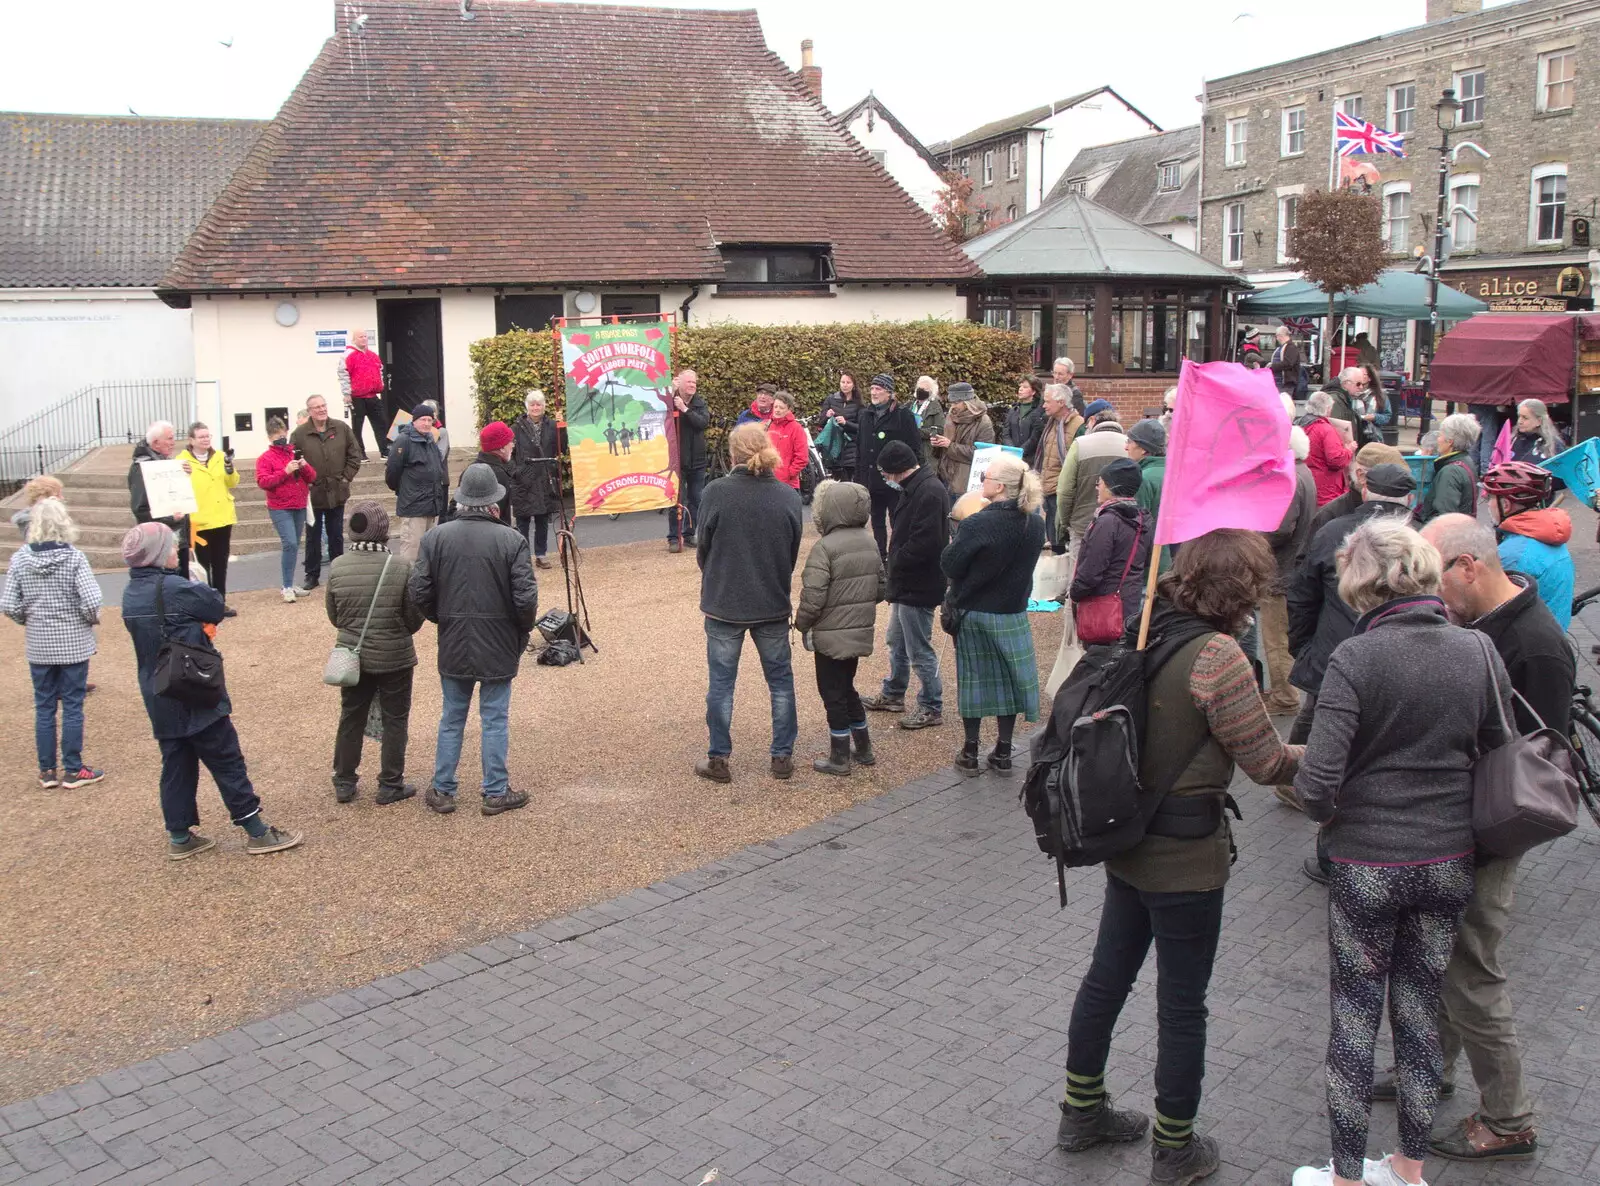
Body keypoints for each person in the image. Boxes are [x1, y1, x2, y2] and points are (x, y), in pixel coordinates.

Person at [1058, 530, 1300, 1185]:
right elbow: (1267, 762)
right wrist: (1325, 754)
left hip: (1126, 840)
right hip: (1188, 859)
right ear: (1242, 588)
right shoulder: (1219, 656)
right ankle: (1175, 1148)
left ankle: (1082, 1112)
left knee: (1107, 979)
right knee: (1182, 1004)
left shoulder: (1148, 628)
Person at [1291, 517, 1510, 1186]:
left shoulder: (1354, 659)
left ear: (1359, 585)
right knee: (1420, 1015)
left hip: (1368, 864)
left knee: (1355, 1021)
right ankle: (1410, 1169)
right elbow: (1500, 747)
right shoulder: (1475, 649)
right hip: (1447, 860)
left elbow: (1317, 784)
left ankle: (1347, 1176)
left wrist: (1329, 814)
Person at [1418, 513, 1572, 1165]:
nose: (1429, 593)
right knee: (1449, 964)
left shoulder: (1534, 645)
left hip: (1490, 833)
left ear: (1467, 567)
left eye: (1433, 577)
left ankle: (1509, 1119)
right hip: (1465, 824)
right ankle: (1434, 1071)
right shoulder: (1484, 626)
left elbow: (1540, 763)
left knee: (1473, 973)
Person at [119, 522, 303, 859]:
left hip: (157, 688)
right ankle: (256, 831)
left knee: (176, 762)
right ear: (159, 555)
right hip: (193, 684)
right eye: (171, 547)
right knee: (225, 755)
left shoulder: (131, 592)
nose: (175, 551)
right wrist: (192, 579)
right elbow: (215, 605)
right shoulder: (175, 588)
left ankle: (179, 835)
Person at [1284, 463, 1415, 818]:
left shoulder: (1332, 532)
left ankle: (1297, 780)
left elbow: (1300, 596)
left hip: (1332, 653)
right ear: (1409, 498)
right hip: (1399, 658)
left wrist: (1303, 647)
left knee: (1318, 718)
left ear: (1365, 489)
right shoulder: (1420, 536)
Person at [410, 463, 537, 816]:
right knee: (494, 718)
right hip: (498, 639)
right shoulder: (512, 539)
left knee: (452, 717)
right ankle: (495, 790)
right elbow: (526, 599)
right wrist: (520, 631)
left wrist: (442, 617)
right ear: (493, 504)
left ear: (463, 500)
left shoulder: (435, 537)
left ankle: (443, 788)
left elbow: (418, 591)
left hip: (454, 637)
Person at [694, 424, 804, 782]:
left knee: (722, 683)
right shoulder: (787, 496)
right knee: (780, 681)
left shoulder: (716, 493)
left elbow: (704, 547)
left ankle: (719, 758)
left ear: (733, 454)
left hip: (724, 600)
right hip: (770, 599)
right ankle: (782, 756)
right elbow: (791, 552)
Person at [940, 454, 1045, 774]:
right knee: (1009, 684)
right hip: (1012, 612)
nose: (981, 479)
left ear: (1000, 486)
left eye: (986, 475)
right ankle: (1002, 751)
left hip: (975, 612)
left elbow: (950, 564)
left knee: (975, 684)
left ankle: (970, 752)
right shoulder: (1036, 522)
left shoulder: (977, 523)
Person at [325, 500, 424, 806]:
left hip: (353, 654)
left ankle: (344, 780)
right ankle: (390, 783)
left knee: (351, 716)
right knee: (396, 718)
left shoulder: (338, 566)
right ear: (383, 531)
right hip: (394, 655)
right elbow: (413, 617)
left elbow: (335, 616)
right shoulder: (400, 567)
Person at [3, 498, 104, 790]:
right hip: (73, 641)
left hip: (40, 643)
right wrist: (86, 619)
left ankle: (47, 770)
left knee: (44, 706)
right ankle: (73, 769)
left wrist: (28, 619)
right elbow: (92, 600)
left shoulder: (21, 558)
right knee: (73, 705)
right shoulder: (74, 557)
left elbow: (9, 603)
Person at [793, 480, 886, 776]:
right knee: (847, 688)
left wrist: (801, 623)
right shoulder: (869, 541)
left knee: (831, 692)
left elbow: (813, 596)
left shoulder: (825, 547)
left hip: (830, 635)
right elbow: (881, 589)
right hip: (858, 631)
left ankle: (840, 757)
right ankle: (864, 747)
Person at [861, 440, 950, 730]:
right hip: (907, 581)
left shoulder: (928, 492)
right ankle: (894, 693)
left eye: (886, 473)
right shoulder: (919, 486)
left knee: (918, 648)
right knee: (897, 641)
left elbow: (927, 542)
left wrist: (896, 561)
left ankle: (931, 705)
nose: (885, 479)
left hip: (918, 583)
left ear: (898, 470)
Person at [1261, 427, 1317, 715]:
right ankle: (1284, 689)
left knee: (1275, 638)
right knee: (1283, 636)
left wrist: (1256, 537)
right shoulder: (1305, 472)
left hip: (1282, 570)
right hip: (1293, 568)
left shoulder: (1291, 478)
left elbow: (1282, 527)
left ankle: (1285, 696)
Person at [1482, 462, 1573, 629]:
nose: (1488, 504)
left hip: (1521, 649)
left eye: (1490, 498)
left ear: (1506, 505)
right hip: (1552, 640)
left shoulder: (1513, 555)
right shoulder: (1549, 536)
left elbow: (1487, 613)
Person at [291, 394, 362, 592]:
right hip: (313, 493)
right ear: (310, 411)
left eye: (323, 405)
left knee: (336, 534)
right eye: (317, 407)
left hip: (337, 491)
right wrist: (306, 482)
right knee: (313, 536)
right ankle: (312, 575)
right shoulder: (299, 434)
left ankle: (338, 574)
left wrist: (346, 478)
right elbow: (294, 461)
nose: (321, 409)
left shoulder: (341, 428)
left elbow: (354, 455)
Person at [854, 374, 921, 559]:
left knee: (897, 520)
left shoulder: (903, 416)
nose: (874, 393)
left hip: (895, 480)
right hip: (871, 481)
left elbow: (915, 448)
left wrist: (913, 478)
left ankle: (896, 555)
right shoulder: (865, 415)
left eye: (879, 389)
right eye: (872, 388)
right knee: (876, 521)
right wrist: (859, 480)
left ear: (889, 393)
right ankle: (880, 555)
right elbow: (860, 449)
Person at [254, 416, 318, 603]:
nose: (281, 440)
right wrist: (285, 472)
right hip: (280, 507)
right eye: (277, 438)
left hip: (298, 504)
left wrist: (304, 466)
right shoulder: (265, 459)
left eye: (283, 436)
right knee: (289, 543)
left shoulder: (294, 453)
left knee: (295, 544)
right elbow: (263, 481)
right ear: (269, 438)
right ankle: (287, 586)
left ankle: (289, 582)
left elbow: (312, 477)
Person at [178, 423, 239, 615]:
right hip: (199, 520)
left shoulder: (220, 457)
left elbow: (233, 482)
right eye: (201, 437)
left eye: (207, 436)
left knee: (220, 564)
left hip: (222, 518)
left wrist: (230, 469)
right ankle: (205, 604)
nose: (205, 440)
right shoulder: (182, 460)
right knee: (203, 567)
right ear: (191, 440)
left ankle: (220, 602)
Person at [1055, 403, 1128, 553]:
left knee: (1078, 573)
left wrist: (1065, 522)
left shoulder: (1080, 444)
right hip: (1122, 524)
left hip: (1082, 525)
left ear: (1092, 421)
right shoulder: (1130, 445)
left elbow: (1064, 489)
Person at [386, 400, 448, 564]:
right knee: (411, 558)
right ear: (414, 420)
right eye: (423, 420)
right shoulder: (404, 441)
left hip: (431, 506)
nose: (427, 423)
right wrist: (405, 491)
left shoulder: (430, 441)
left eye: (429, 420)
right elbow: (392, 473)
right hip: (413, 508)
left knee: (429, 555)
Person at [1306, 442, 1407, 543]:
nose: (1396, 484)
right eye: (1389, 477)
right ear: (1361, 476)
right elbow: (1308, 556)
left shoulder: (1400, 511)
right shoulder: (1330, 514)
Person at [128, 419, 190, 579]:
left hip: (175, 537)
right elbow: (140, 509)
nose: (173, 442)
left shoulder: (164, 463)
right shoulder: (142, 468)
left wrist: (184, 474)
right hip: (159, 542)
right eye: (169, 438)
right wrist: (169, 519)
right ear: (156, 443)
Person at [511, 390, 561, 569]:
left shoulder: (551, 425)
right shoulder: (516, 427)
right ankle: (523, 558)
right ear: (527, 406)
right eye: (532, 404)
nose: (535, 408)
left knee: (542, 520)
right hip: (523, 478)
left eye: (538, 404)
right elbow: (510, 452)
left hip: (543, 477)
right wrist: (516, 472)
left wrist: (561, 426)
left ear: (543, 406)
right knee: (523, 521)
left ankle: (541, 555)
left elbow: (560, 446)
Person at [665, 369, 711, 554]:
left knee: (696, 500)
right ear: (680, 383)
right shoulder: (671, 400)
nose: (692, 385)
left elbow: (702, 423)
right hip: (676, 460)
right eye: (689, 382)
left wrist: (684, 409)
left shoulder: (699, 403)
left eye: (694, 382)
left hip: (697, 461)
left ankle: (690, 534)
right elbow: (659, 412)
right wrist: (670, 392)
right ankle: (674, 538)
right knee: (676, 500)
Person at [1037, 384, 1085, 556]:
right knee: (1052, 531)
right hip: (1049, 486)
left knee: (1060, 535)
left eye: (1047, 401)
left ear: (1061, 402)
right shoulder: (1051, 423)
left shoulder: (1078, 426)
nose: (1044, 405)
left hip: (1062, 489)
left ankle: (1063, 571)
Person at [1414, 413, 1481, 526]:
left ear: (1450, 441)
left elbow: (1445, 516)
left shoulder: (1450, 471)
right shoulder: (1466, 461)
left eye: (1440, 435)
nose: (1438, 439)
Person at [931, 382, 995, 494]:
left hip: (966, 483)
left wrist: (950, 446)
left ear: (967, 402)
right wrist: (938, 444)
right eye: (951, 403)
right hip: (945, 477)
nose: (953, 406)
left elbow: (983, 454)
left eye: (956, 402)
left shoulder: (983, 422)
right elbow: (945, 447)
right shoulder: (951, 416)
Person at [338, 329, 389, 459]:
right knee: (357, 427)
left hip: (372, 396)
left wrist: (381, 385)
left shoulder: (372, 355)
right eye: (361, 337)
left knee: (381, 423)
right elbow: (343, 375)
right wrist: (346, 393)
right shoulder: (348, 355)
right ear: (354, 339)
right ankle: (360, 454)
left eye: (365, 336)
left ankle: (385, 451)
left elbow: (380, 371)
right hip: (357, 397)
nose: (364, 339)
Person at [1303, 391, 1358, 506]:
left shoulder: (1300, 424)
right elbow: (1336, 460)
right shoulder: (1325, 430)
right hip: (1326, 489)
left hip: (1307, 483)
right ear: (1327, 409)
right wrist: (1349, 450)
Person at [1125, 418, 1167, 569]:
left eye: (1129, 442)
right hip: (1174, 561)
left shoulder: (1142, 479)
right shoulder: (1174, 474)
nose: (1126, 447)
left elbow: (1138, 528)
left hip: (1149, 565)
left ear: (1143, 448)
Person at [820, 372, 863, 482]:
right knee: (837, 481)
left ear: (853, 385)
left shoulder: (859, 403)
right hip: (834, 447)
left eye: (848, 382)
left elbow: (862, 428)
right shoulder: (831, 399)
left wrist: (846, 423)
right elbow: (821, 423)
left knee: (849, 481)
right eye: (842, 382)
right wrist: (827, 416)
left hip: (851, 448)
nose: (845, 385)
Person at [471, 421, 516, 525]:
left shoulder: (470, 469)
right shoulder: (498, 475)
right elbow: (497, 516)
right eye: (510, 442)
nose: (512, 445)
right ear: (501, 448)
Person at [766, 391, 809, 490]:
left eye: (781, 408)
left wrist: (789, 474)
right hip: (766, 481)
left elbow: (802, 457)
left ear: (789, 409)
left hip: (788, 484)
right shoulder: (766, 426)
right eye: (776, 407)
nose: (777, 410)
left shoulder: (796, 428)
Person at [1004, 377, 1046, 467]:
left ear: (1034, 391)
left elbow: (1035, 437)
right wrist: (1012, 450)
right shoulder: (1013, 409)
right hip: (1012, 458)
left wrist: (1020, 451)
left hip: (1031, 460)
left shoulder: (1040, 411)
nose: (1020, 389)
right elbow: (1006, 433)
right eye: (1020, 386)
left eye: (1025, 387)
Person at [1507, 398, 1563, 465]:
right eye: (1519, 416)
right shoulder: (1512, 440)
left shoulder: (1554, 445)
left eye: (1525, 418)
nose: (1519, 421)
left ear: (1539, 421)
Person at [12, 475, 63, 540]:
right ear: (42, 497)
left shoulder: (53, 514)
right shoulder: (32, 521)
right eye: (57, 495)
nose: (61, 498)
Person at [912, 375, 946, 466]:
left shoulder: (935, 406)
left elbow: (940, 429)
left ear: (931, 392)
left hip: (928, 452)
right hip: (912, 450)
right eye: (919, 388)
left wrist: (918, 432)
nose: (921, 391)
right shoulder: (911, 405)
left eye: (925, 389)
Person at [1269, 325, 1303, 395]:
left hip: (1286, 385)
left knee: (1284, 404)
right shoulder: (1281, 347)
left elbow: (1288, 363)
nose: (1277, 338)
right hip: (1278, 383)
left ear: (1281, 336)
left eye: (1277, 336)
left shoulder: (1291, 347)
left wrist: (1272, 366)